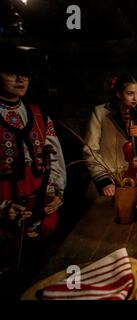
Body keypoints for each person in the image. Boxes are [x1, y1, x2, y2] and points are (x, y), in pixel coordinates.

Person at [0, 45, 66, 272]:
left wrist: (56, 192)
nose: (20, 79)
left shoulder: (38, 115)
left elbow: (55, 159)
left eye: (25, 74)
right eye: (11, 72)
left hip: (39, 210)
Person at [83, 73, 137, 197]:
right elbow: (90, 151)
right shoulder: (100, 113)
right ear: (118, 94)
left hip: (132, 181)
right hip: (107, 179)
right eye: (130, 93)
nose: (135, 98)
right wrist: (103, 180)